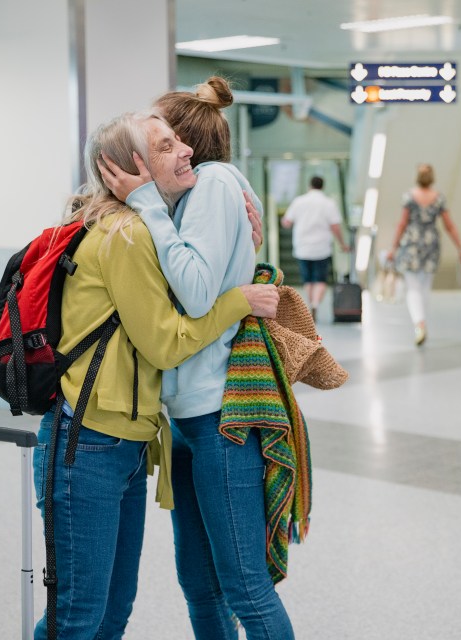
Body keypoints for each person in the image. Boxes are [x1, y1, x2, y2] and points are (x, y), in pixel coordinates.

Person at [33, 110, 280, 640]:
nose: (186, 151)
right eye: (166, 147)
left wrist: (238, 233)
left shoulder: (143, 225)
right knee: (79, 618)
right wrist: (239, 300)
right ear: (131, 169)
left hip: (126, 441)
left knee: (107, 615)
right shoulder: (127, 234)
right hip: (90, 441)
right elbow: (167, 341)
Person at [99, 77, 296, 639]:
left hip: (219, 420)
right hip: (185, 419)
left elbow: (195, 292)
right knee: (199, 584)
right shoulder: (188, 199)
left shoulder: (211, 186)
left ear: (184, 144)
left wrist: (146, 206)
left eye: (161, 140)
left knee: (243, 587)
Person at [389, 163, 461, 346]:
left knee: (413, 286)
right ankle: (422, 321)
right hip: (431, 244)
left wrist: (393, 248)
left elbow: (402, 224)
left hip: (412, 244)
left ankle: (420, 323)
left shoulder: (409, 197)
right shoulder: (438, 198)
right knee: (425, 286)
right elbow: (449, 225)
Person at [281, 176, 351, 320]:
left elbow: (286, 222)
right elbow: (335, 226)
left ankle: (310, 303)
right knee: (320, 279)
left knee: (308, 280)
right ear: (322, 186)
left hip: (302, 247)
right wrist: (342, 244)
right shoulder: (329, 203)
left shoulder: (299, 201)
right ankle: (315, 304)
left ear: (309, 186)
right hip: (322, 247)